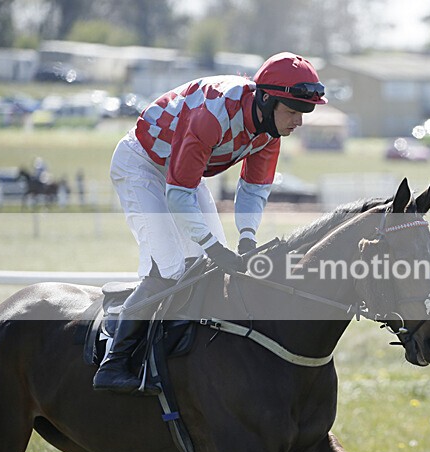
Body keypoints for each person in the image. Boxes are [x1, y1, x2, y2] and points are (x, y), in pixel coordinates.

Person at [93, 52, 327, 394]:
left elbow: (254, 189)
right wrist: (214, 247)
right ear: (265, 99)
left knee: (207, 269)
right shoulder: (214, 114)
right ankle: (113, 362)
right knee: (170, 268)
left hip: (183, 174)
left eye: (304, 113)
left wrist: (246, 238)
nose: (298, 123)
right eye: (293, 112)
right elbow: (177, 195)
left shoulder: (269, 130)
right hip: (141, 164)